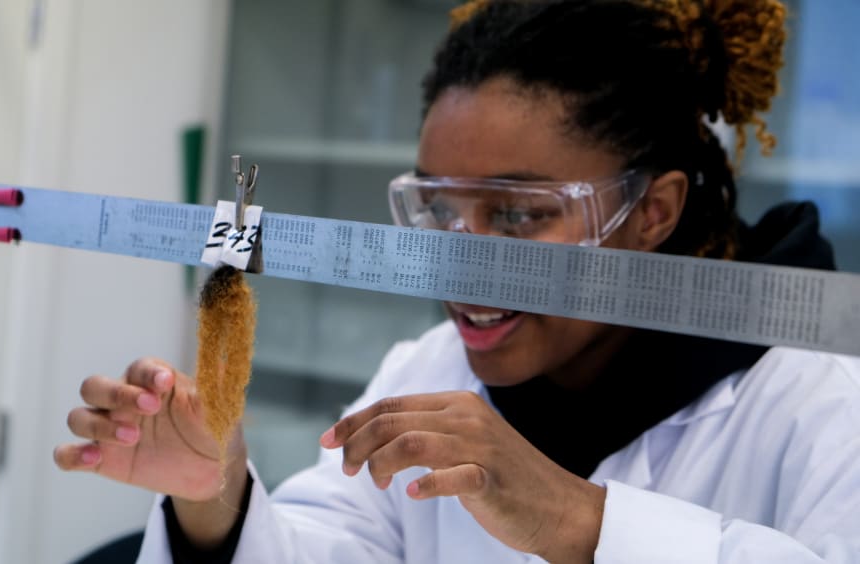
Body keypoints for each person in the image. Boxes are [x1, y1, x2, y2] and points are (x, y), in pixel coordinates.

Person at [54, 0, 860, 562]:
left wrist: (580, 522)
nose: (460, 256)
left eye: (516, 217)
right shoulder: (427, 369)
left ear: (652, 211)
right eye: (439, 209)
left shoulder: (824, 404)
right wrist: (214, 502)